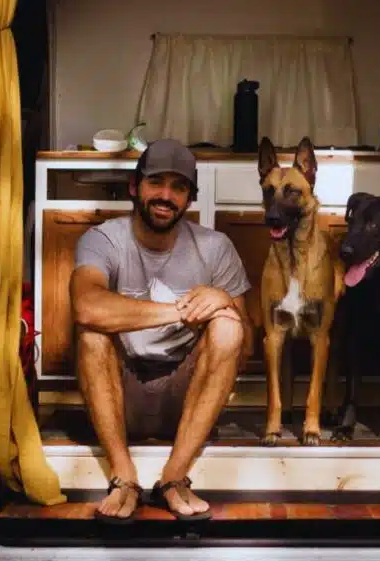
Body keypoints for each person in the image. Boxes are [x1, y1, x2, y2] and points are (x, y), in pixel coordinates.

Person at [69, 138, 253, 522]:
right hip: (120, 395)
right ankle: (123, 478)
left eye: (179, 187)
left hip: (187, 400)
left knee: (228, 327)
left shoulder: (216, 247)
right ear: (135, 187)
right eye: (156, 182)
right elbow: (86, 306)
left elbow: (244, 346)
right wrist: (178, 311)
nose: (166, 195)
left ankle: (173, 477)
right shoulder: (104, 239)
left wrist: (221, 299)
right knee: (91, 332)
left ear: (190, 198)